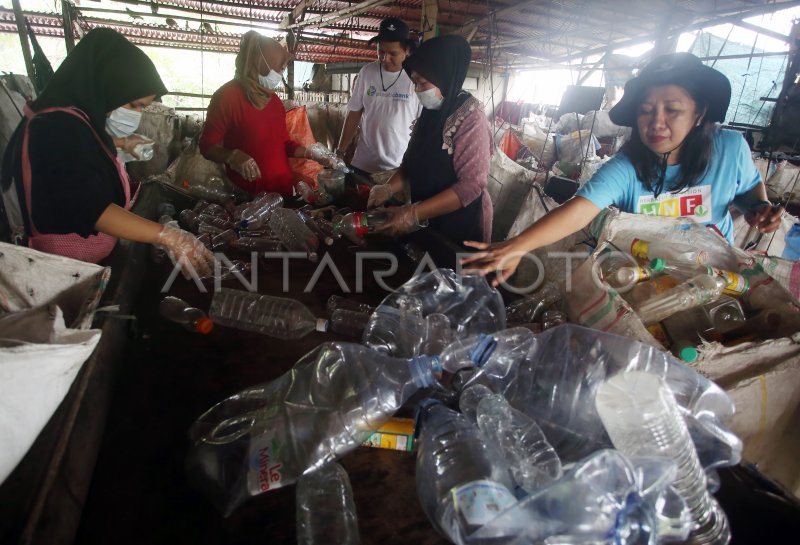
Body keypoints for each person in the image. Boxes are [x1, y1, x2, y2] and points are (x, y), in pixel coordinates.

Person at [462, 52, 785, 285]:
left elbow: (747, 190)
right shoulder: (628, 167)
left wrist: (759, 207)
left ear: (699, 112)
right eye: (646, 111)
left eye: (672, 110)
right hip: (645, 278)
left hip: (713, 277)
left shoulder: (729, 148)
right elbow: (579, 210)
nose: (656, 122)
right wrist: (518, 245)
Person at [1, 28, 213, 275]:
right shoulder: (55, 128)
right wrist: (166, 235)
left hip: (86, 261)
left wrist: (121, 143)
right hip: (64, 267)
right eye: (134, 105)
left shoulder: (72, 120)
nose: (135, 114)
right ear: (108, 86)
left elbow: (79, 157)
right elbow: (88, 206)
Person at [367, 35, 493, 245]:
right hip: (426, 219)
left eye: (422, 83)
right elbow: (410, 164)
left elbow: (472, 185)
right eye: (415, 83)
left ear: (444, 75)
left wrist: (413, 213)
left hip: (459, 225)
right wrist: (388, 188)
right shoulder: (430, 112)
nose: (417, 90)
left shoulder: (471, 118)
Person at [200, 31, 336, 196]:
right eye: (278, 69)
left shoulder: (274, 101)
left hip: (281, 192)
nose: (279, 75)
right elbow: (206, 146)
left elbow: (284, 144)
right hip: (248, 197)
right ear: (261, 64)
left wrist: (311, 153)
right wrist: (232, 156)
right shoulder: (227, 96)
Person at [336, 18, 421, 176]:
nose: (384, 58)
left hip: (397, 169)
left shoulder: (416, 78)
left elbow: (421, 126)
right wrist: (340, 152)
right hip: (363, 164)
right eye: (381, 51)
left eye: (392, 53)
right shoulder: (367, 73)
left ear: (407, 50)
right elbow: (354, 113)